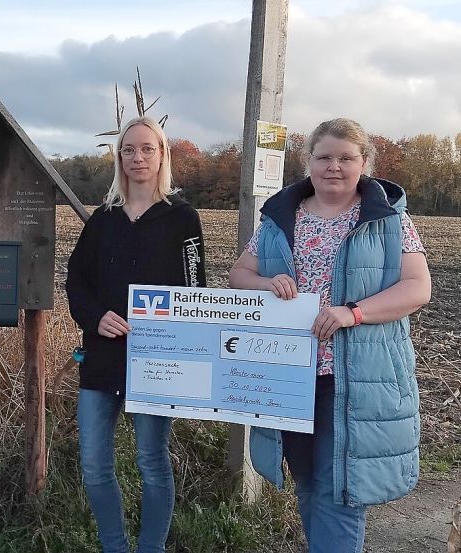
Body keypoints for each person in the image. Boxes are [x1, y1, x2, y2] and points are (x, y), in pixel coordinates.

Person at [228, 118, 431, 553]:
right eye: (323, 157)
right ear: (308, 163)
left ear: (364, 164)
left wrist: (351, 313)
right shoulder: (279, 220)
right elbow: (239, 273)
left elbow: (418, 288)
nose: (333, 166)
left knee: (339, 492)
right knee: (308, 484)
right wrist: (268, 283)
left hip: (354, 379)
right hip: (289, 375)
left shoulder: (389, 220)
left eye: (346, 158)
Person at [65, 116, 206, 553]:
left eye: (148, 148)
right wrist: (95, 317)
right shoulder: (103, 220)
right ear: (119, 157)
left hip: (155, 362)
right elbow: (75, 280)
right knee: (93, 463)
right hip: (102, 358)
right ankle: (114, 546)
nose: (137, 157)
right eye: (129, 149)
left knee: (151, 460)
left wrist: (184, 351)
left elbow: (196, 290)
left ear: (162, 155)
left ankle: (151, 548)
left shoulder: (182, 219)